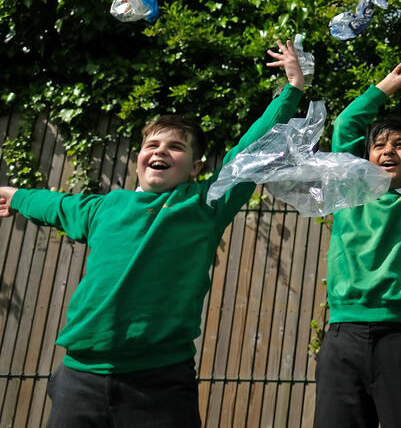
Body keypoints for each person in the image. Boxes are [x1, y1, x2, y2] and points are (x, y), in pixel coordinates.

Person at [0, 39, 306, 428]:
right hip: (79, 378)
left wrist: (292, 91)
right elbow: (55, 205)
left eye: (175, 147)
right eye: (152, 144)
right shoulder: (103, 208)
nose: (160, 150)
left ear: (195, 168)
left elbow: (248, 154)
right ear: (140, 157)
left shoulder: (203, 205)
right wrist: (16, 195)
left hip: (159, 384)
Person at [315, 63, 401, 428]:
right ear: (367, 159)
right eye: (379, 145)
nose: (388, 150)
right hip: (344, 334)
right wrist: (385, 87)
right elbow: (346, 127)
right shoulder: (350, 191)